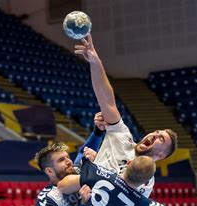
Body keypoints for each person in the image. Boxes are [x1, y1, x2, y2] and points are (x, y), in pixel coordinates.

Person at [74, 34, 178, 197]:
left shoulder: (145, 178)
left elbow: (112, 196)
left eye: (161, 139)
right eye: (157, 132)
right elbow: (107, 102)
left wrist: (96, 166)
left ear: (161, 155)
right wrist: (96, 62)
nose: (155, 134)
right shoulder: (123, 136)